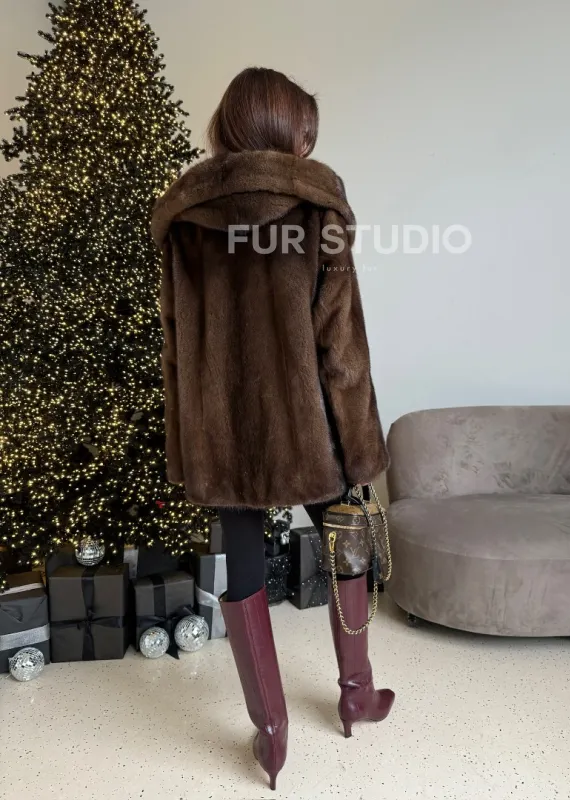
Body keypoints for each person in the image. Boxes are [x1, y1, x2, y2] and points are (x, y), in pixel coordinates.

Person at [151, 67, 394, 791]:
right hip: (309, 429)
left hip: (222, 435)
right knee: (347, 542)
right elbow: (342, 350)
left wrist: (188, 444)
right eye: (305, 131)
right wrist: (359, 451)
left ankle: (272, 734)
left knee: (243, 559)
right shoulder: (317, 207)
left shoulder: (185, 221)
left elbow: (175, 348)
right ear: (292, 132)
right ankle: (356, 696)